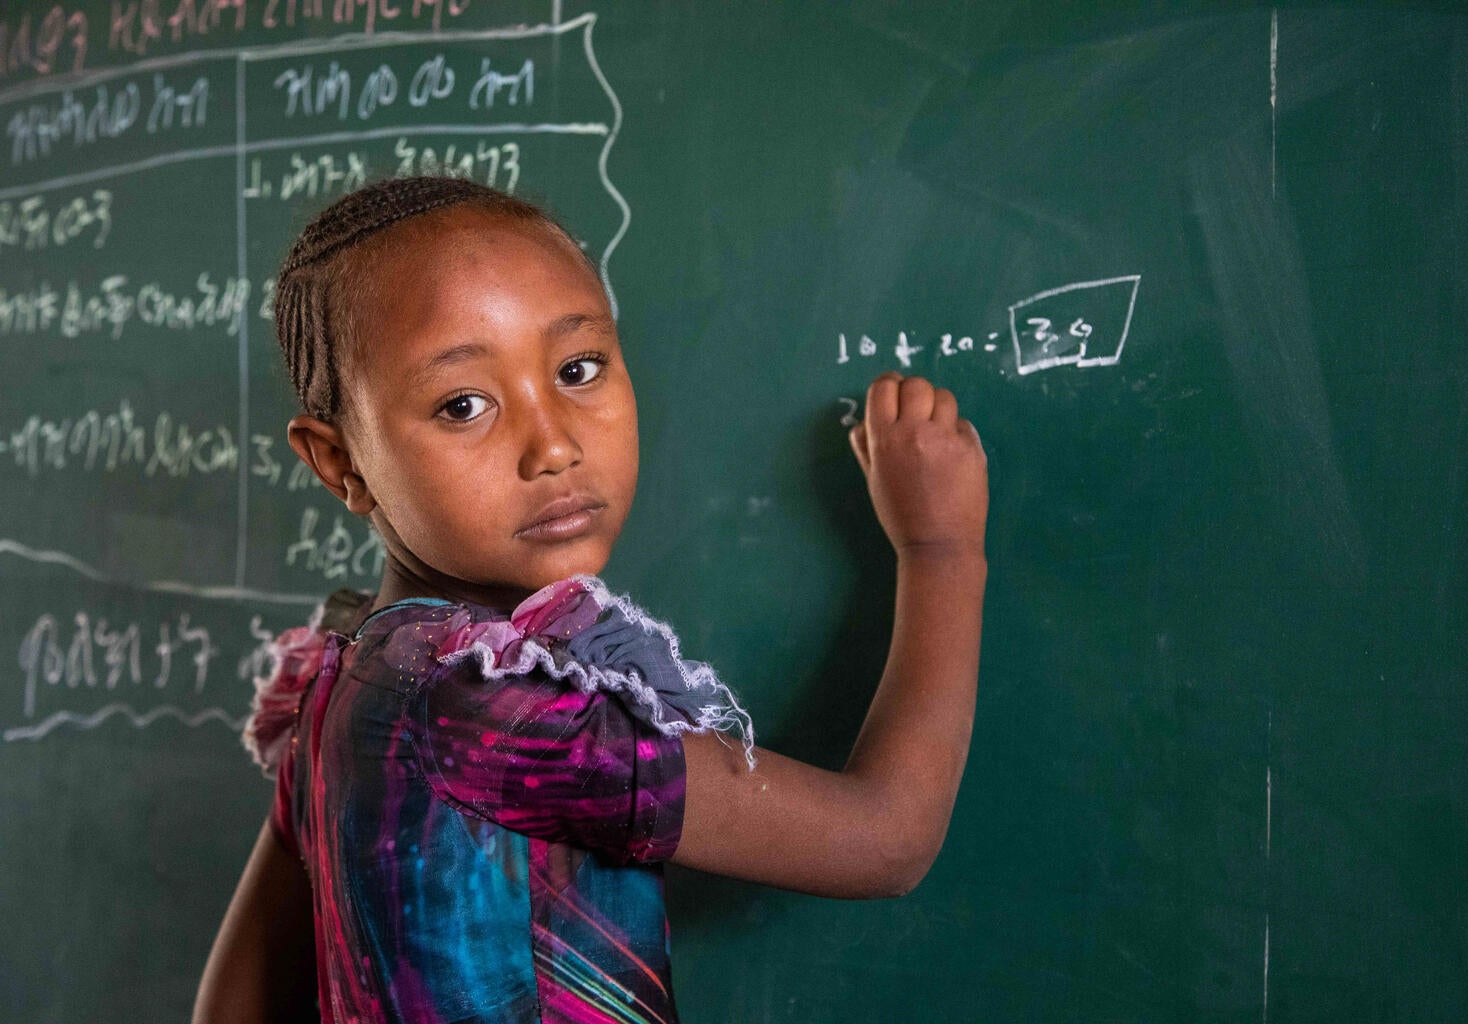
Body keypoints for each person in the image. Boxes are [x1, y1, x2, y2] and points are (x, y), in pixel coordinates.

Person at [193, 175, 988, 1024]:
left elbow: (235, 1002)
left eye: (578, 369)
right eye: (464, 405)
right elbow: (886, 841)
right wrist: (941, 549)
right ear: (339, 462)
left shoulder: (342, 673)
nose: (554, 445)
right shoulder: (494, 713)